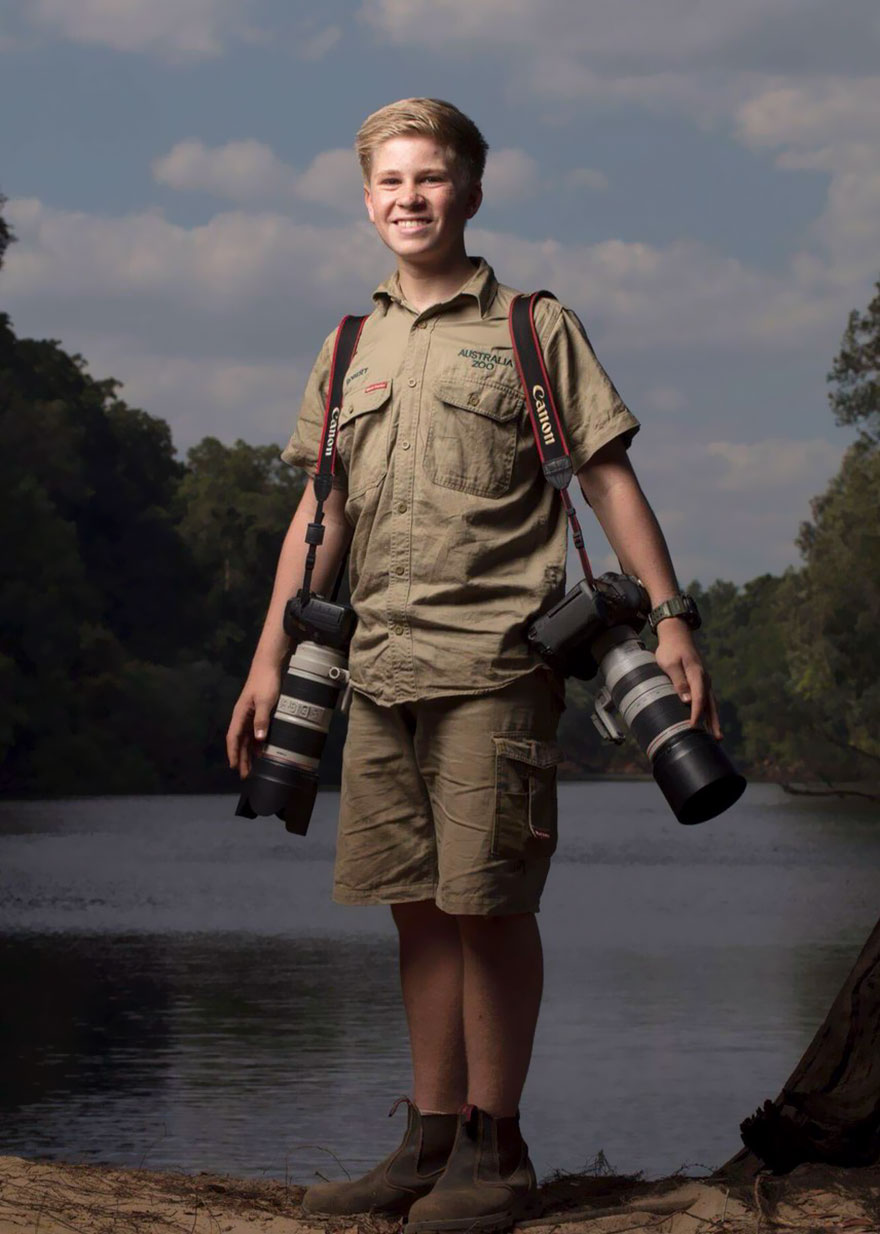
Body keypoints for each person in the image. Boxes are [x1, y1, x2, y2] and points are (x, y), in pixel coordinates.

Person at [226, 98, 721, 1233]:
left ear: (471, 194)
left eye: (432, 178)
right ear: (366, 200)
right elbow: (321, 513)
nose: (411, 197)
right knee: (413, 908)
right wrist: (268, 662)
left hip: (497, 664)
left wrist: (674, 617)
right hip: (375, 665)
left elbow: (605, 479)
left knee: (487, 904)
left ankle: (498, 1154)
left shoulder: (532, 328)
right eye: (391, 181)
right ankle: (428, 1139)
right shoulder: (348, 345)